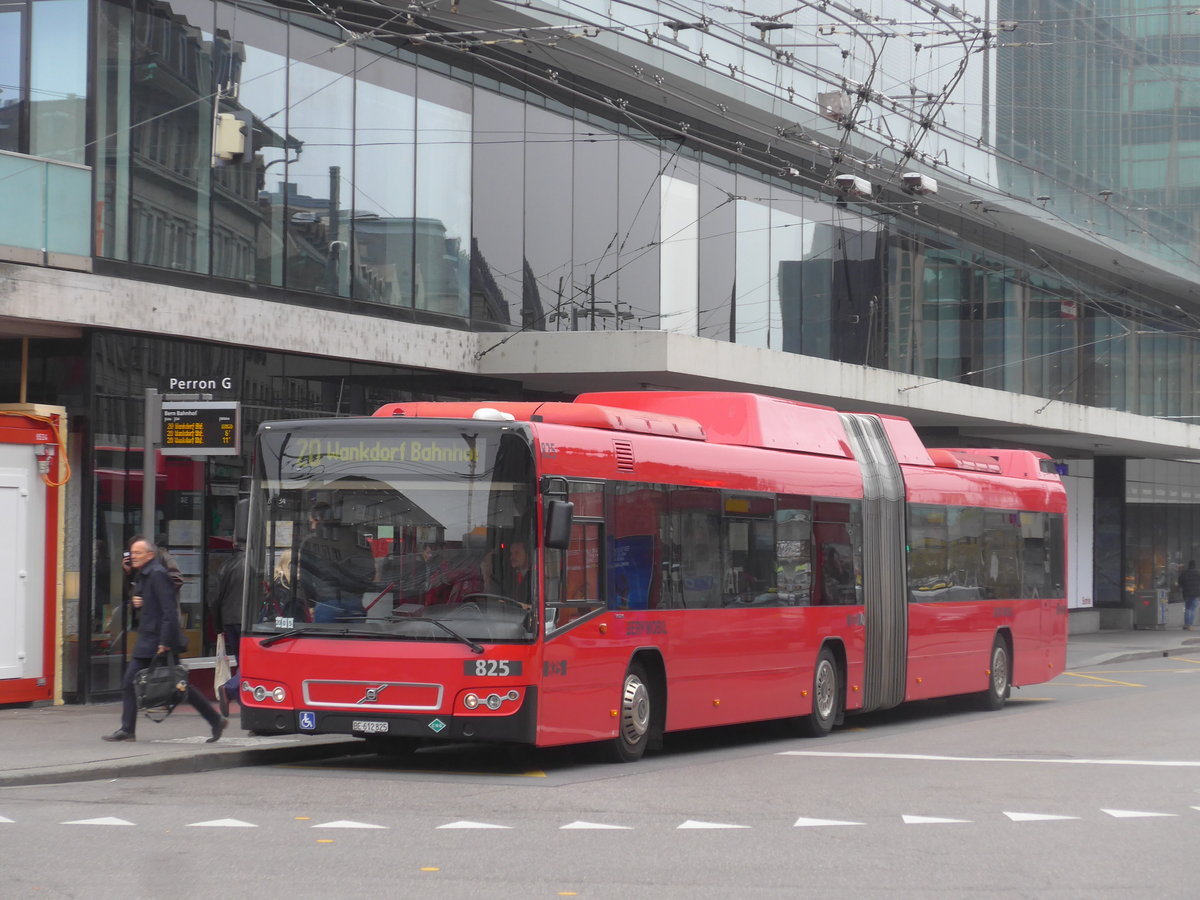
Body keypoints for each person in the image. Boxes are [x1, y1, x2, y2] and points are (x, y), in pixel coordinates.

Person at [102, 538, 227, 743]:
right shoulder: (144, 574)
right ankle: (128, 729)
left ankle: (215, 720)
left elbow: (168, 609)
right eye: (132, 552)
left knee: (177, 685)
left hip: (158, 640)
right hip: (149, 638)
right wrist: (135, 593)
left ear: (150, 555)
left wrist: (165, 642)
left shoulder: (157, 574)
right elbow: (147, 601)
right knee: (150, 683)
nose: (133, 556)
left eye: (138, 553)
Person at [210, 543, 245, 717]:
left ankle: (242, 700)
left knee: (241, 661)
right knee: (250, 664)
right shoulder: (253, 563)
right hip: (246, 621)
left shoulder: (225, 566)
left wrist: (218, 625)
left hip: (229, 620)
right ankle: (230, 689)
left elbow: (215, 598)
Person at [1179, 560, 1200, 630]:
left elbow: (1180, 582)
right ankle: (1190, 625)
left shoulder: (1184, 573)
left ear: (1189, 565)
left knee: (1187, 608)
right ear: (1195, 565)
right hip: (1196, 594)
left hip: (1187, 593)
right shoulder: (1198, 573)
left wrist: (1183, 586)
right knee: (1193, 609)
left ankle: (1186, 624)